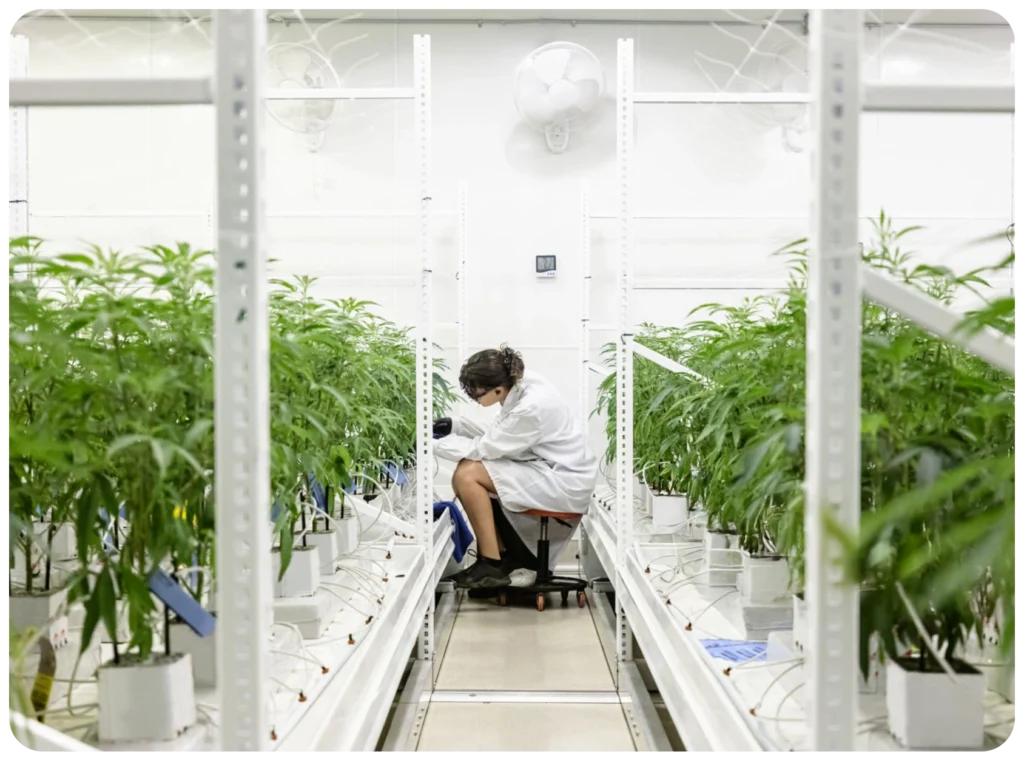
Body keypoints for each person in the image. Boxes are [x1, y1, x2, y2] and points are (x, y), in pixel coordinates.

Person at [433, 345, 599, 591]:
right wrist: (456, 425)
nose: (475, 399)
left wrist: (430, 445)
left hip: (564, 480)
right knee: (468, 472)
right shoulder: (520, 382)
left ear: (498, 389)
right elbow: (501, 429)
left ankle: (490, 563)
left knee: (468, 475)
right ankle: (497, 560)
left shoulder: (531, 407)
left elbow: (486, 448)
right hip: (549, 467)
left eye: (477, 395)